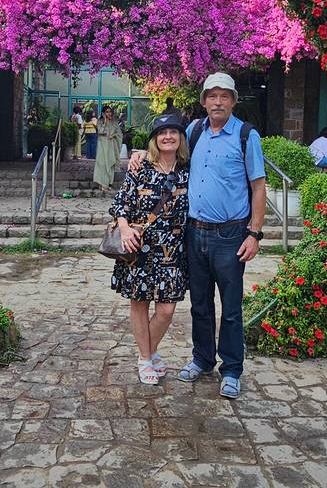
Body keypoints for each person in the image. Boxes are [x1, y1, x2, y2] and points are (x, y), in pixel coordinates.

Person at [127, 72, 266, 399]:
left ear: (233, 101)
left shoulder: (246, 136)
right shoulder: (195, 130)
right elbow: (166, 148)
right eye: (212, 96)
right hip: (193, 232)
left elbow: (259, 187)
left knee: (230, 307)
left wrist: (254, 233)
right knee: (200, 304)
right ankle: (202, 359)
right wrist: (140, 153)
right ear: (204, 101)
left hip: (230, 234)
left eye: (224, 96)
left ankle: (231, 369)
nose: (218, 102)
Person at [108, 112, 191, 385]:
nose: (168, 137)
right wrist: (124, 228)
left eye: (173, 132)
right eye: (162, 133)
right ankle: (145, 358)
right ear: (155, 139)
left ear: (181, 138)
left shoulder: (188, 170)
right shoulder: (140, 168)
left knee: (166, 310)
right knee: (140, 305)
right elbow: (121, 204)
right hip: (139, 248)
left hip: (173, 251)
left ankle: (149, 349)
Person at [94, 106, 123, 190]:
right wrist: (105, 122)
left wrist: (114, 135)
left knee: (111, 163)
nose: (109, 113)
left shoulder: (114, 122)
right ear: (103, 113)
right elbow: (100, 131)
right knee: (102, 164)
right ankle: (102, 184)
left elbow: (119, 134)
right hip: (102, 146)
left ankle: (109, 183)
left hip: (112, 146)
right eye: (107, 112)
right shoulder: (100, 121)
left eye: (110, 111)